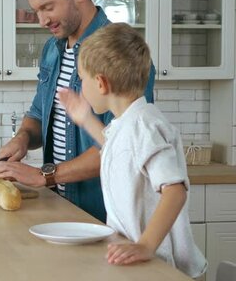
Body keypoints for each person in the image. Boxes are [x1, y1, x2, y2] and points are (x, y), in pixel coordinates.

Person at [0, 0, 155, 222]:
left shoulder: (121, 51)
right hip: (58, 207)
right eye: (36, 11)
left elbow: (124, 146)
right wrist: (21, 139)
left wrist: (45, 174)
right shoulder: (52, 50)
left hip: (104, 215)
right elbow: (39, 114)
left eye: (48, 7)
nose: (42, 20)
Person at [57, 23, 206, 278]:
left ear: (101, 83)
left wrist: (145, 245)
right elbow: (117, 149)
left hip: (168, 267)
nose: (81, 88)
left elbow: (175, 191)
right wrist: (85, 118)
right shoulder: (128, 123)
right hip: (146, 263)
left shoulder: (144, 127)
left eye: (82, 80)